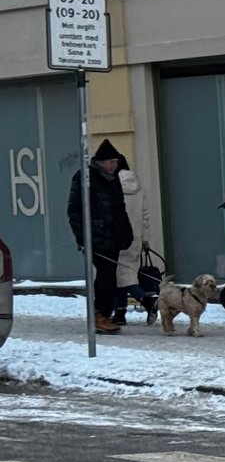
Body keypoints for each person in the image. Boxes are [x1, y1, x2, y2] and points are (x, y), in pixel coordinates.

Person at [66, 139, 135, 336]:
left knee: (108, 278)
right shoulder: (85, 178)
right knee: (106, 277)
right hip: (95, 239)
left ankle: (101, 314)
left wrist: (126, 233)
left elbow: (120, 210)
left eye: (116, 162)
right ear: (101, 162)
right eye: (111, 162)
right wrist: (83, 237)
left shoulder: (113, 180)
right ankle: (100, 316)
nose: (115, 165)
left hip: (112, 238)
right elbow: (74, 210)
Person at [112, 161, 157, 326]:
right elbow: (145, 217)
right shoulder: (140, 190)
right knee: (125, 274)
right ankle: (120, 313)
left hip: (119, 238)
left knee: (121, 276)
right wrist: (145, 239)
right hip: (135, 239)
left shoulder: (114, 187)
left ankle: (146, 301)